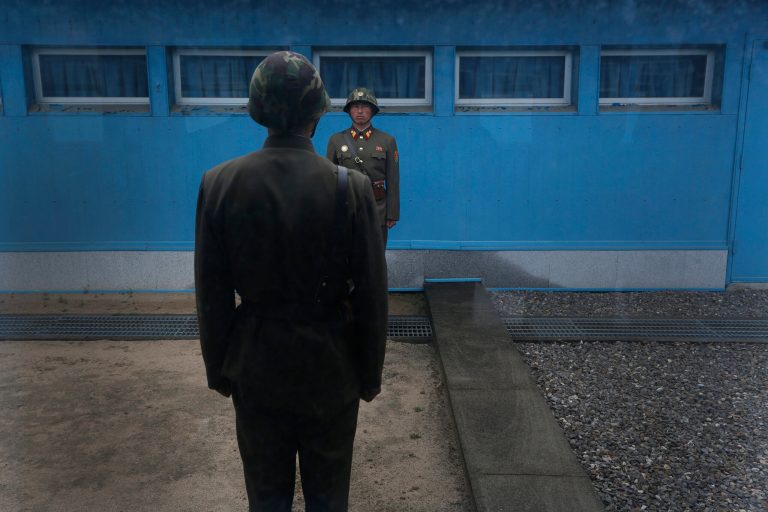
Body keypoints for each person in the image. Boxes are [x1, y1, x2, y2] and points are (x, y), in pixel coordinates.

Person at [194, 51, 388, 512]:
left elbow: (212, 294)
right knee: (328, 498)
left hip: (256, 366)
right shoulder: (352, 187)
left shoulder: (218, 183)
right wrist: (369, 374)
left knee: (265, 498)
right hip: (331, 366)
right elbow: (372, 294)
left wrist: (219, 369)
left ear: (258, 110)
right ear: (317, 113)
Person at [326, 88, 400, 246]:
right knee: (346, 252)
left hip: (377, 207)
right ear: (349, 110)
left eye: (365, 106)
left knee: (376, 252)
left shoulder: (387, 140)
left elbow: (393, 179)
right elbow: (329, 179)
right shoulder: (336, 140)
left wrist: (392, 213)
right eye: (355, 106)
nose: (360, 111)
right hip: (346, 206)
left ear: (372, 110)